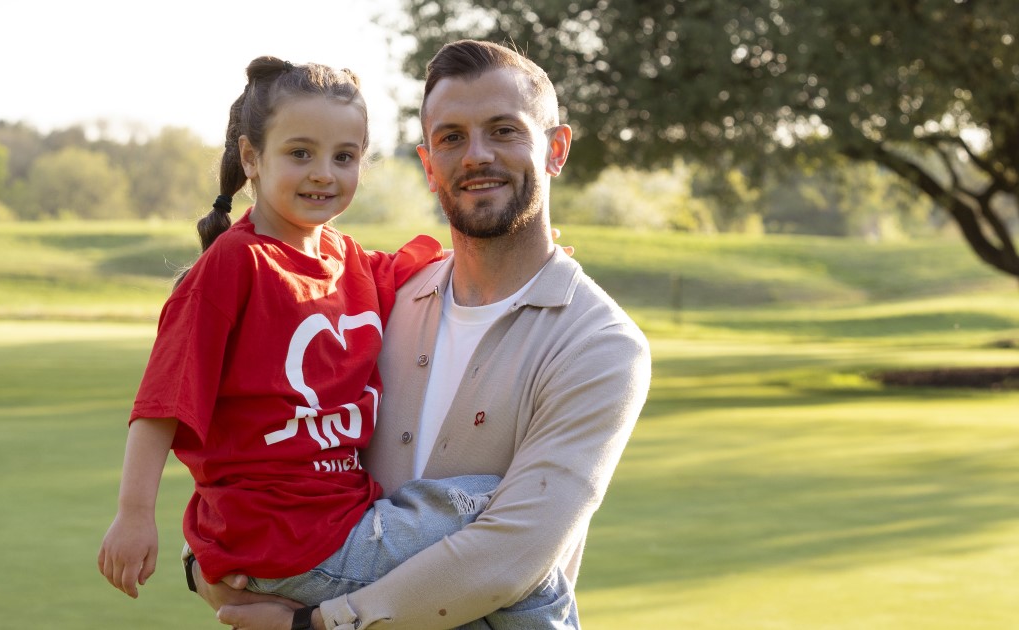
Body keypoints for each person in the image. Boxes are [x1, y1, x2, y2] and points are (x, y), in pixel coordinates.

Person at [97, 55, 579, 630]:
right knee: (510, 533)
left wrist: (529, 259)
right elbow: (162, 404)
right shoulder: (236, 265)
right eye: (300, 153)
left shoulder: (347, 261)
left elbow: (425, 267)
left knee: (486, 585)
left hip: (341, 525)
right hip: (292, 542)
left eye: (344, 157)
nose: (324, 173)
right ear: (251, 157)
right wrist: (133, 515)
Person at [216, 40, 652, 630]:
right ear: (427, 164)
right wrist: (209, 560)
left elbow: (510, 556)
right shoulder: (381, 301)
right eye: (451, 137)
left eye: (503, 131)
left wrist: (315, 625)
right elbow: (273, 446)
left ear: (555, 149)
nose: (476, 156)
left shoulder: (599, 345)